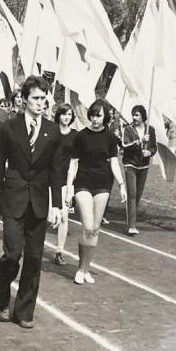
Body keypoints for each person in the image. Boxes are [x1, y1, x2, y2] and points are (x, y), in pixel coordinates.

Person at [0, 75, 63, 328]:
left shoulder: (53, 131)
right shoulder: (9, 127)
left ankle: (23, 311)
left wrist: (57, 205)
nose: (41, 103)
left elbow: (56, 171)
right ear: (24, 100)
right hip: (13, 198)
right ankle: (2, 294)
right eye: (36, 98)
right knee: (12, 255)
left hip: (40, 202)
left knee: (34, 257)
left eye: (44, 98)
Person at [65, 99, 127, 285]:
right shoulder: (81, 136)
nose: (95, 119)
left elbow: (114, 162)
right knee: (88, 227)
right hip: (83, 182)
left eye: (99, 115)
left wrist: (121, 184)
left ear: (105, 116)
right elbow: (73, 163)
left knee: (96, 230)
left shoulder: (109, 138)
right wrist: (69, 188)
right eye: (92, 115)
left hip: (102, 184)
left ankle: (86, 269)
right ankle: (80, 268)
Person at [121, 105, 157, 236]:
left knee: (138, 196)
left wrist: (149, 152)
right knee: (132, 194)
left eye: (137, 115)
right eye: (133, 115)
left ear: (143, 116)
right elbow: (125, 145)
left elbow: (154, 147)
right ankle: (131, 226)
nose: (134, 117)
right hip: (130, 164)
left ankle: (132, 221)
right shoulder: (128, 129)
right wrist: (139, 141)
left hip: (144, 166)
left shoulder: (150, 130)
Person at [52, 103, 77, 266]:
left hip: (65, 180)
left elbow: (75, 162)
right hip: (49, 179)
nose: (66, 117)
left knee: (63, 216)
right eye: (63, 114)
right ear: (58, 116)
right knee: (47, 217)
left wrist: (70, 187)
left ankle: (59, 250)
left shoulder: (75, 135)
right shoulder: (51, 132)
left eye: (69, 114)